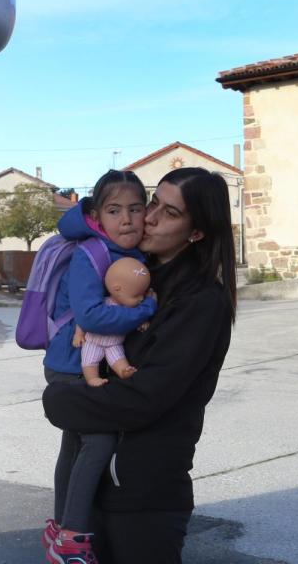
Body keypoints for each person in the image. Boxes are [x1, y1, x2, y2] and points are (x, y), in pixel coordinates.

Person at [42, 167, 238, 564]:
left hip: (143, 500)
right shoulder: (134, 275)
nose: (147, 217)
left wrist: (58, 400)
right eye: (153, 202)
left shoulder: (200, 302)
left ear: (196, 231)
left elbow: (144, 398)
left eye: (169, 213)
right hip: (100, 488)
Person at [40, 170, 158, 563]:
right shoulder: (91, 253)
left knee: (75, 443)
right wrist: (146, 307)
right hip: (72, 365)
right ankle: (72, 539)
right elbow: (90, 317)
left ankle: (60, 530)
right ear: (97, 216)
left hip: (79, 361)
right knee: (99, 441)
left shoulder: (124, 252)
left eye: (135, 208)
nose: (126, 219)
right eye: (114, 210)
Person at [72, 256, 152, 384]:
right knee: (89, 362)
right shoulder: (102, 304)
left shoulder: (133, 309)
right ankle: (92, 379)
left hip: (115, 343)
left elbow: (134, 319)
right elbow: (83, 318)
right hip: (93, 341)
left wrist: (143, 322)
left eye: (143, 293)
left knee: (119, 359)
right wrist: (79, 333)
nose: (142, 299)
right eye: (136, 295)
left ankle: (124, 371)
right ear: (117, 289)